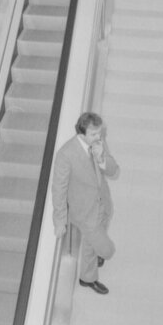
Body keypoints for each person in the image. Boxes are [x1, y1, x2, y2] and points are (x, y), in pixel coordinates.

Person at [51, 112, 119, 295]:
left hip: (102, 203)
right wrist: (59, 220)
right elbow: (59, 189)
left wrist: (102, 159)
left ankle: (87, 279)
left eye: (100, 133)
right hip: (84, 212)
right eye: (95, 134)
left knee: (92, 242)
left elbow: (113, 170)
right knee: (107, 249)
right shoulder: (65, 155)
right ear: (81, 134)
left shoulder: (97, 143)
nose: (100, 137)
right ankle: (100, 254)